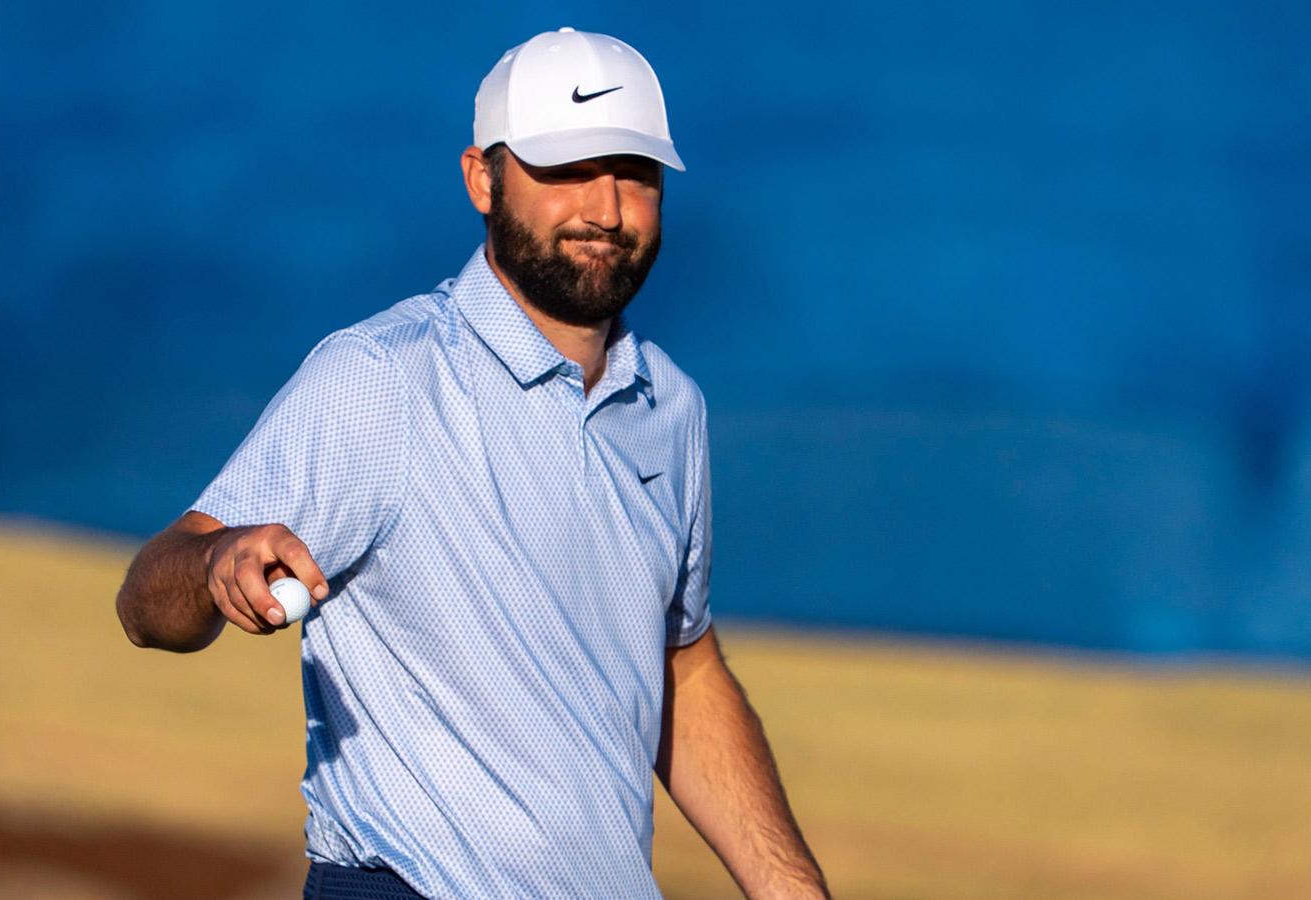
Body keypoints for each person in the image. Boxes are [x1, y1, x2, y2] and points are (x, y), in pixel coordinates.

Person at [114, 27, 829, 900]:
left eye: (633, 173)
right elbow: (147, 599)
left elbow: (684, 666)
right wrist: (212, 565)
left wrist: (794, 891)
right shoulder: (382, 376)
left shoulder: (670, 406)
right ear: (482, 180)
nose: (605, 208)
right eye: (565, 170)